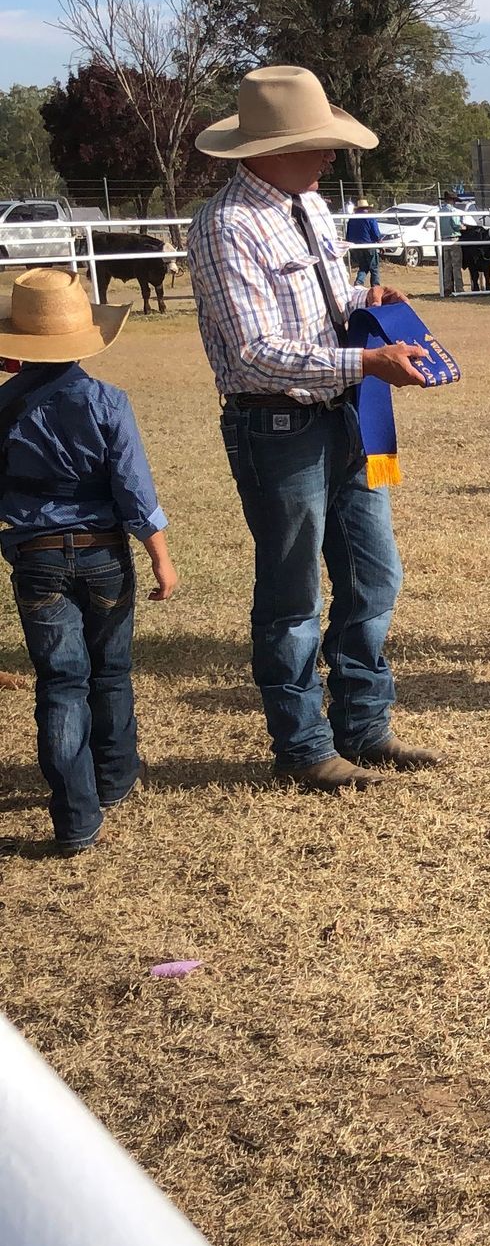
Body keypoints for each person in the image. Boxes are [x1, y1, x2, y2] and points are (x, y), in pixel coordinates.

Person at [186, 64, 438, 793]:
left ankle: (364, 727)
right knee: (294, 594)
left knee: (373, 574)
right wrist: (367, 359)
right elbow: (254, 351)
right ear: (271, 148)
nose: (332, 154)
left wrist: (368, 296)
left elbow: (318, 302)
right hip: (279, 425)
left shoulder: (311, 205)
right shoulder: (227, 225)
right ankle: (302, 746)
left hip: (344, 416)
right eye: (319, 142)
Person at [0, 269, 178, 853]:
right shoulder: (108, 400)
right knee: (111, 671)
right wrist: (160, 558)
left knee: (59, 683)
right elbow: (134, 489)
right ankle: (116, 775)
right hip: (104, 552)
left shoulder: (6, 406)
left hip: (35, 555)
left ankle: (74, 819)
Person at [344, 199, 383, 288]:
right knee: (374, 267)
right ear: (367, 208)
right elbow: (376, 233)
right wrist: (380, 242)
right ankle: (375, 286)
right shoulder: (370, 218)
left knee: (363, 266)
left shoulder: (352, 219)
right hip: (369, 245)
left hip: (356, 247)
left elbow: (348, 234)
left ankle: (359, 282)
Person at [436, 199, 462, 297]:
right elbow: (456, 225)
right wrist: (463, 227)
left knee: (447, 265)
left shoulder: (440, 212)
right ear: (452, 201)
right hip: (453, 239)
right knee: (456, 265)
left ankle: (447, 287)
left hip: (443, 240)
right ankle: (459, 288)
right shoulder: (453, 211)